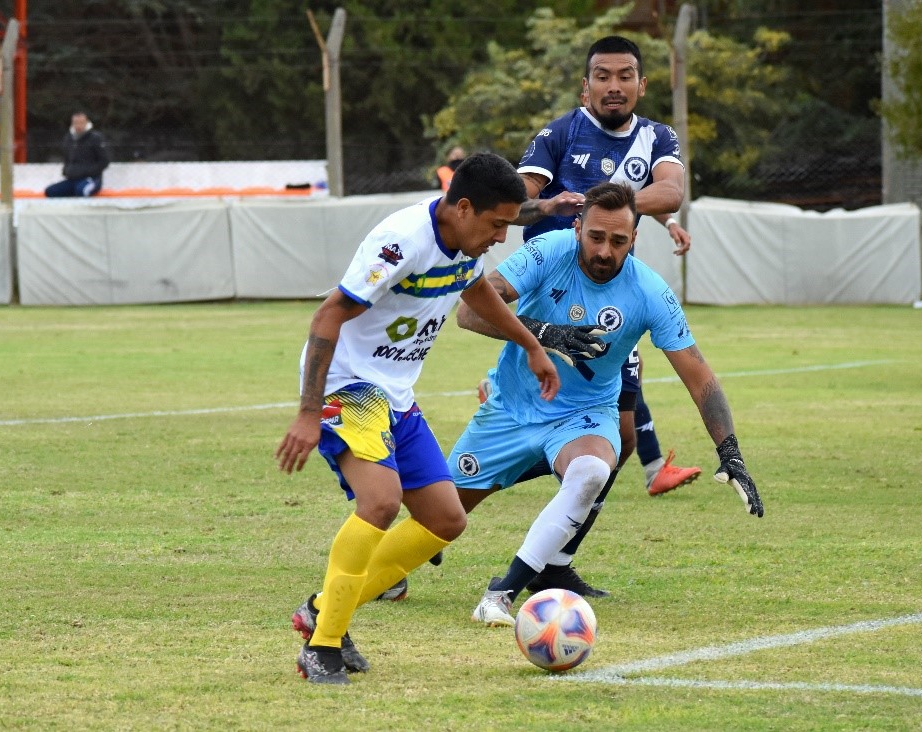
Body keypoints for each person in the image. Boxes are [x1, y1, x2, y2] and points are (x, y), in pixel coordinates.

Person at [275, 153, 561, 685]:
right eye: (497, 224)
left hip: (395, 396)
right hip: (348, 386)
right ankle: (324, 644)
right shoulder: (403, 241)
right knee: (380, 503)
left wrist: (530, 344)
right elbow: (328, 313)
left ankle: (322, 608)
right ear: (464, 207)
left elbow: (475, 290)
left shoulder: (463, 242)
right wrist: (309, 413)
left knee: (446, 520)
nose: (501, 237)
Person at [448, 182, 764, 626]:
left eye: (618, 241)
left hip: (583, 416)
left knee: (593, 470)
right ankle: (395, 570)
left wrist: (729, 451)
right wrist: (545, 334)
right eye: (596, 237)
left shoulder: (650, 291)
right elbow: (469, 313)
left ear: (633, 240)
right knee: (439, 518)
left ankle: (502, 592)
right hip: (511, 408)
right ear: (577, 228)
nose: (605, 251)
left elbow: (699, 376)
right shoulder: (548, 251)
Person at [464, 35, 702, 598]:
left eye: (625, 76)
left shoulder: (656, 136)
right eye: (603, 76)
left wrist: (607, 208)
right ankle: (445, 514)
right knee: (567, 437)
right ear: (586, 85)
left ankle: (556, 558)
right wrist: (547, 206)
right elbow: (513, 204)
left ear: (642, 85)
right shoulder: (558, 134)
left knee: (616, 440)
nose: (614, 86)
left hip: (611, 302)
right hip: (548, 294)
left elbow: (670, 193)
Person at [44, 112, 109, 198]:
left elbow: (104, 161)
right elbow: (67, 159)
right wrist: (67, 171)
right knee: (51, 191)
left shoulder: (95, 138)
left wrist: (88, 172)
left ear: (86, 123)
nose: (78, 126)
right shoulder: (68, 138)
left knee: (81, 190)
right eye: (76, 123)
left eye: (81, 123)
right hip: (72, 179)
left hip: (91, 179)